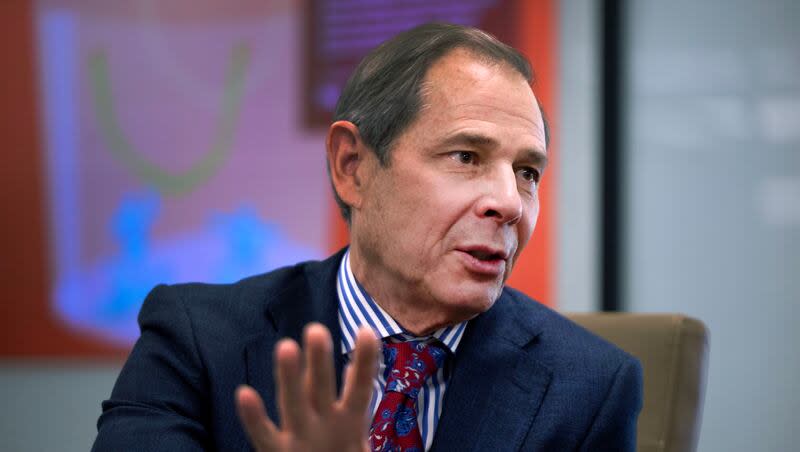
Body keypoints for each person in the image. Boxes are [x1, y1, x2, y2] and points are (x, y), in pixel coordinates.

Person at [92, 22, 642, 452]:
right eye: (466, 156)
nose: (508, 202)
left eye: (527, 172)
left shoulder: (588, 386)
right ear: (353, 167)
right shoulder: (198, 340)